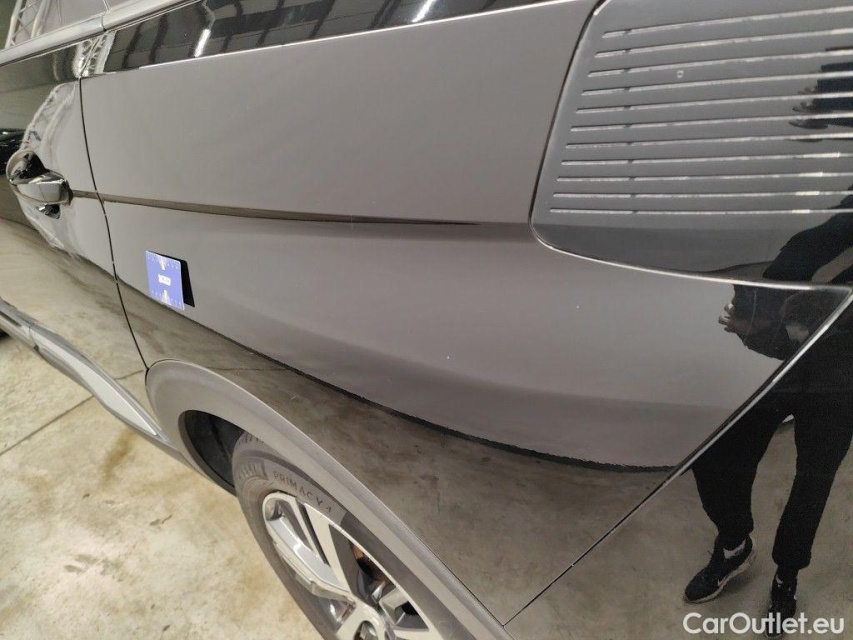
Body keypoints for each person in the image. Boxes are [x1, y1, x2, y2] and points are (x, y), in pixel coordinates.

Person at [683, 210, 853, 638]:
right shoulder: (826, 209)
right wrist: (754, 323)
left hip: (842, 380)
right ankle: (734, 545)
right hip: (780, 361)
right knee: (715, 454)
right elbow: (780, 271)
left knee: (813, 482)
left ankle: (786, 576)